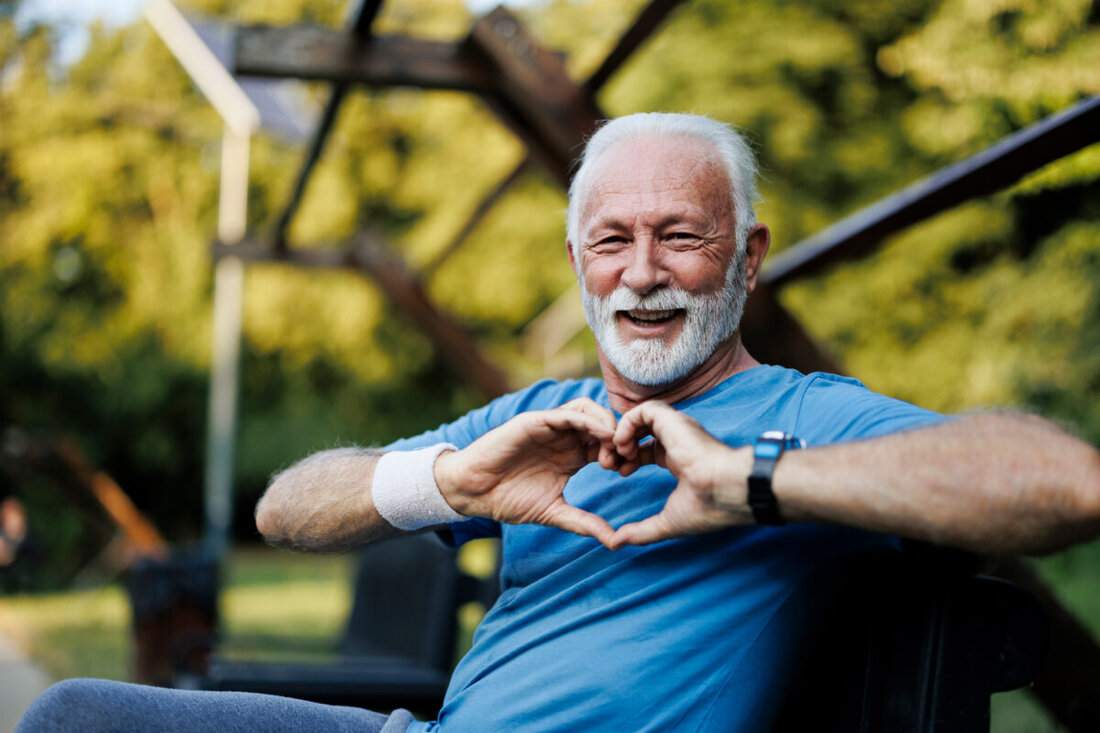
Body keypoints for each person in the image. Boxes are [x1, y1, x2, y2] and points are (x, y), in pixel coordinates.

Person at [19, 113, 1100, 732]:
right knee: (79, 719)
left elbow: (1061, 481)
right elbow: (283, 509)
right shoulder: (537, 415)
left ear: (748, 257)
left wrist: (748, 480)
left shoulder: (801, 414)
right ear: (575, 262)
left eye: (680, 235)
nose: (640, 275)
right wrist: (448, 481)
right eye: (609, 241)